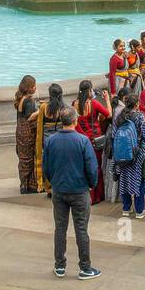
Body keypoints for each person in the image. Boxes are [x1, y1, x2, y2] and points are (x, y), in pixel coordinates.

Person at [44, 106, 102, 279]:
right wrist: (92, 184)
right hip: (79, 190)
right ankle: (85, 267)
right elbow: (92, 167)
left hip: (59, 189)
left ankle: (59, 265)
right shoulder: (83, 141)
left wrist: (54, 182)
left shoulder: (51, 140)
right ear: (75, 120)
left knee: (60, 228)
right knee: (81, 229)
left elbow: (46, 166)